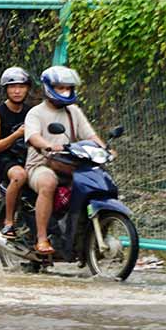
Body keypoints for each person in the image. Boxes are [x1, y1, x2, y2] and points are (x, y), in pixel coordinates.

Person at [24, 65, 108, 256]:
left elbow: (90, 135)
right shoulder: (36, 113)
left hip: (69, 165)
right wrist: (47, 145)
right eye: (60, 87)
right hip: (41, 165)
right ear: (49, 88)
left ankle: (89, 239)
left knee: (97, 183)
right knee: (48, 182)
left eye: (68, 88)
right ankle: (42, 238)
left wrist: (105, 149)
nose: (65, 91)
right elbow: (33, 136)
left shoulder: (73, 111)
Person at [0, 67, 33, 237]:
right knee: (20, 176)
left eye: (21, 86)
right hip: (7, 160)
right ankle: (9, 222)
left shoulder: (31, 112)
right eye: (12, 87)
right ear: (5, 90)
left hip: (30, 157)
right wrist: (16, 135)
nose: (17, 91)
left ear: (27, 88)